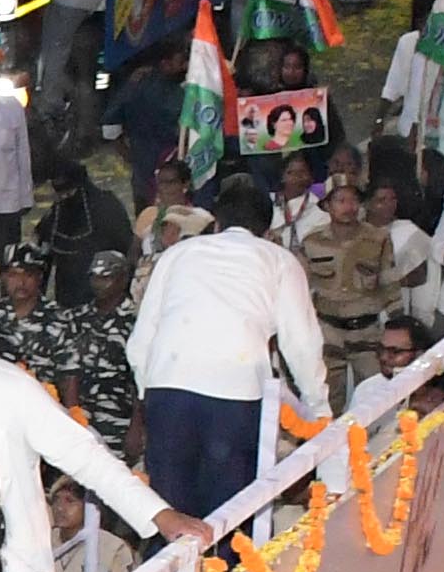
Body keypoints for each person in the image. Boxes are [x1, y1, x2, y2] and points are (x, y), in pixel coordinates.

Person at [122, 174, 327, 515]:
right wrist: (319, 411)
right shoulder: (278, 260)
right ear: (266, 230)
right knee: (229, 512)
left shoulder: (179, 254)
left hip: (168, 388)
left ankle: (172, 569)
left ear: (216, 223)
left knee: (169, 509)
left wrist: (148, 395)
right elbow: (301, 343)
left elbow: (143, 337)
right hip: (236, 395)